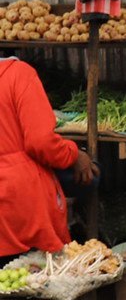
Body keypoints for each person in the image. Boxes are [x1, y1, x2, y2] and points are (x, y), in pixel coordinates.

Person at [0, 55, 99, 262]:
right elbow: (41, 142)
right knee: (32, 281)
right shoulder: (17, 74)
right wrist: (74, 154)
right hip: (18, 202)